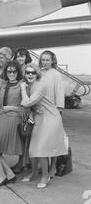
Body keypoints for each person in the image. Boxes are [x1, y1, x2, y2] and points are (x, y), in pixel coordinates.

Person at [20, 63, 68, 188]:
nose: (30, 74)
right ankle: (34, 172)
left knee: (41, 150)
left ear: (37, 74)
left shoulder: (40, 86)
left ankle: (45, 176)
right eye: (27, 72)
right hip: (40, 118)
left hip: (50, 118)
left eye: (33, 72)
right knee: (33, 149)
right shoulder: (30, 85)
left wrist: (21, 89)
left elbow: (27, 102)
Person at [39, 50, 65, 178]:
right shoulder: (39, 73)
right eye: (43, 60)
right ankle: (43, 165)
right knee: (42, 141)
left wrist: (59, 111)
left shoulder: (56, 74)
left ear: (52, 61)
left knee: (52, 141)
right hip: (40, 111)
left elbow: (60, 93)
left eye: (47, 60)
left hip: (53, 111)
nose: (45, 62)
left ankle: (53, 166)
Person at [12, 48, 33, 173]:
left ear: (26, 57)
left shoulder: (29, 69)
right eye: (18, 56)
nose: (20, 58)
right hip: (17, 105)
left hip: (26, 105)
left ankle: (23, 163)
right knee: (20, 136)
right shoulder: (16, 69)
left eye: (22, 56)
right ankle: (23, 162)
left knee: (25, 135)